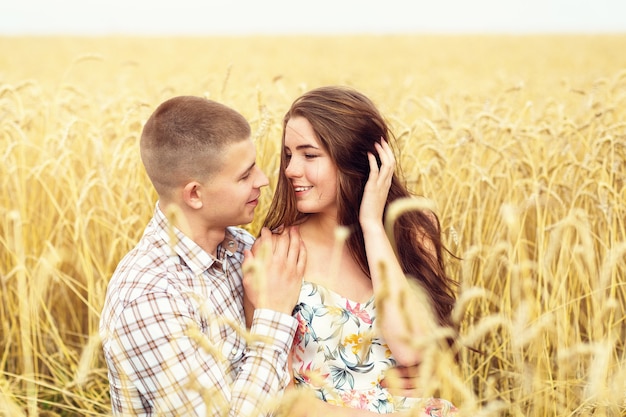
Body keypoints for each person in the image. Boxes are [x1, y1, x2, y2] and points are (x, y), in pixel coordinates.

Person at [99, 96, 306, 417]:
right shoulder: (149, 298)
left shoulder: (240, 246)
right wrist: (274, 317)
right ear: (194, 194)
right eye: (244, 175)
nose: (263, 180)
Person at [261, 86, 459, 416]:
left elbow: (410, 348)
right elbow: (280, 396)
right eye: (288, 155)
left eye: (309, 155)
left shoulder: (415, 232)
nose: (291, 170)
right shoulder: (278, 251)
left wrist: (372, 226)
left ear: (356, 159)